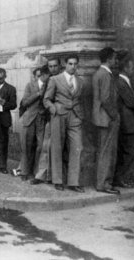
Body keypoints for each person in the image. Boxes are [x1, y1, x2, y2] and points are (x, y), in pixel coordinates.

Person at [43, 54, 84, 192]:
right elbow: (46, 99)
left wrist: (80, 115)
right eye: (70, 64)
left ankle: (73, 182)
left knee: (77, 147)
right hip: (59, 115)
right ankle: (58, 180)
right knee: (57, 148)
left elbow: (79, 99)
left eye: (75, 64)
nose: (73, 67)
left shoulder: (80, 81)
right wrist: (53, 109)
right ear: (65, 65)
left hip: (75, 117)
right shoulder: (55, 79)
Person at [91, 47, 121, 194]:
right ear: (109, 58)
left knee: (103, 151)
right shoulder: (105, 75)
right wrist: (114, 115)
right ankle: (104, 184)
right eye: (114, 58)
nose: (116, 61)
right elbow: (106, 99)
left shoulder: (99, 73)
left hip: (101, 118)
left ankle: (102, 183)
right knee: (107, 152)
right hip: (107, 119)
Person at [31, 58, 62, 185]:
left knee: (58, 148)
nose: (53, 69)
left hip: (61, 116)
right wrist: (44, 112)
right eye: (50, 66)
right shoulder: (48, 81)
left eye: (55, 66)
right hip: (49, 117)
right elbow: (43, 99)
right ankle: (41, 175)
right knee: (45, 146)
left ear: (60, 66)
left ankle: (54, 177)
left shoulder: (63, 79)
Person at [113, 52, 134, 188]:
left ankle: (121, 177)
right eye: (132, 67)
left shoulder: (123, 81)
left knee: (128, 151)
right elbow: (131, 102)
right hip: (127, 124)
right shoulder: (121, 82)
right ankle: (120, 178)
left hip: (128, 123)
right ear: (125, 68)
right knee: (130, 151)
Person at [19, 66, 49, 181]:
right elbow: (25, 102)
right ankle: (25, 171)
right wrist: (37, 94)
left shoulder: (49, 85)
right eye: (48, 75)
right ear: (43, 75)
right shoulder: (30, 85)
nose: (49, 77)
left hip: (41, 119)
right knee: (27, 145)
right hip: (29, 119)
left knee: (41, 146)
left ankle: (36, 171)